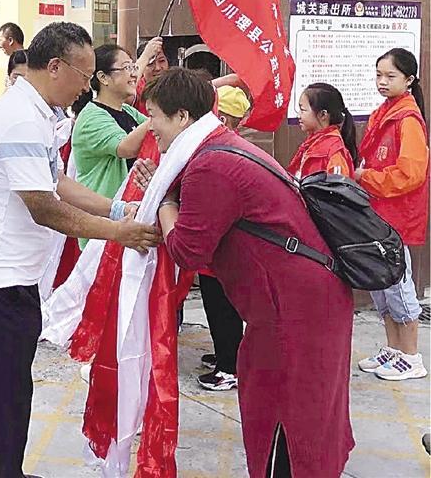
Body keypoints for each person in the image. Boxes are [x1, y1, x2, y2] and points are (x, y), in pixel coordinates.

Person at [0, 22, 161, 478]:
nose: (86, 85)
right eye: (83, 75)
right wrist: (116, 232)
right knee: (5, 396)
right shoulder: (21, 117)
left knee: (2, 392)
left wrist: (119, 207)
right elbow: (42, 205)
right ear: (55, 66)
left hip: (7, 279)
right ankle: (0, 472)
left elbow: (57, 182)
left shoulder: (38, 113)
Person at [146, 68, 354, 478]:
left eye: (153, 115)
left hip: (293, 309)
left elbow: (188, 249)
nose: (149, 126)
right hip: (302, 300)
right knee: (295, 406)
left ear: (182, 116)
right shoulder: (220, 147)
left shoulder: (211, 164)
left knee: (291, 415)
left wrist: (165, 201)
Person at [356, 48, 429, 381]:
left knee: (398, 286)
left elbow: (410, 173)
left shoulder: (408, 119)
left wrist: (365, 178)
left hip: (394, 218)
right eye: (379, 75)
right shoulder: (384, 113)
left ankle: (412, 356)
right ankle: (394, 349)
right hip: (378, 214)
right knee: (381, 285)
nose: (382, 82)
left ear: (409, 80)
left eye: (391, 76)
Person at [196, 85, 250, 390]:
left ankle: (229, 367)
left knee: (223, 307)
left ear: (226, 119)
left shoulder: (226, 151)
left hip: (220, 250)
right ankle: (224, 354)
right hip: (215, 250)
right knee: (216, 307)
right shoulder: (230, 146)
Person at [72, 44, 150, 248]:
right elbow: (125, 147)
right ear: (103, 78)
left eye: (134, 68)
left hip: (125, 219)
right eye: (127, 68)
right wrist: (159, 115)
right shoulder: (91, 116)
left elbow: (154, 135)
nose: (133, 75)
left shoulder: (127, 111)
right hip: (103, 226)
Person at [288, 83, 356, 178]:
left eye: (302, 110)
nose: (298, 115)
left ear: (323, 115)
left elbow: (338, 190)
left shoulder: (334, 152)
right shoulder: (313, 143)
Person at [134, 37, 169, 115]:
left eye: (162, 61)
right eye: (150, 63)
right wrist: (146, 55)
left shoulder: (177, 87)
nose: (157, 68)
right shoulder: (135, 91)